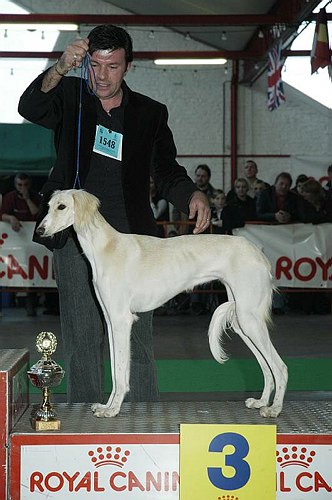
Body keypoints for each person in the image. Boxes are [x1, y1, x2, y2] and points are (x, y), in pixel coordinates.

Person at [18, 25, 210, 404]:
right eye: (94, 64)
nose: (101, 76)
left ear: (129, 67)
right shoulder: (70, 96)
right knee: (81, 335)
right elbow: (29, 107)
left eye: (112, 66)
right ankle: (82, 419)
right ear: (85, 61)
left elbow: (167, 170)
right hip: (76, 238)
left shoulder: (150, 114)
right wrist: (59, 68)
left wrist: (192, 194)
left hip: (134, 242)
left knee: (138, 337)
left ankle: (142, 416)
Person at [1, 173, 42, 316]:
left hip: (32, 246)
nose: (22, 188)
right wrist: (11, 218)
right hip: (14, 244)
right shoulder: (9, 198)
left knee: (33, 276)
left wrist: (27, 199)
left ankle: (31, 306)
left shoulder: (36, 197)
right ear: (15, 184)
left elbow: (37, 214)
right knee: (9, 273)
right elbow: (2, 215)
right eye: (19, 185)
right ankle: (10, 301)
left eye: (25, 185)